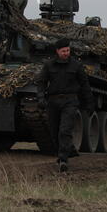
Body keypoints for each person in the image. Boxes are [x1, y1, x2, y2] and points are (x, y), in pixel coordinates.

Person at [37, 38, 94, 172]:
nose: (66, 53)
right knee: (54, 131)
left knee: (65, 130)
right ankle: (68, 150)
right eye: (63, 51)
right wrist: (40, 98)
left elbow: (85, 85)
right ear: (57, 51)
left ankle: (63, 159)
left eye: (68, 50)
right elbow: (41, 82)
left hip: (70, 101)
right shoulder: (49, 65)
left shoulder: (76, 66)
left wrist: (89, 103)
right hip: (53, 101)